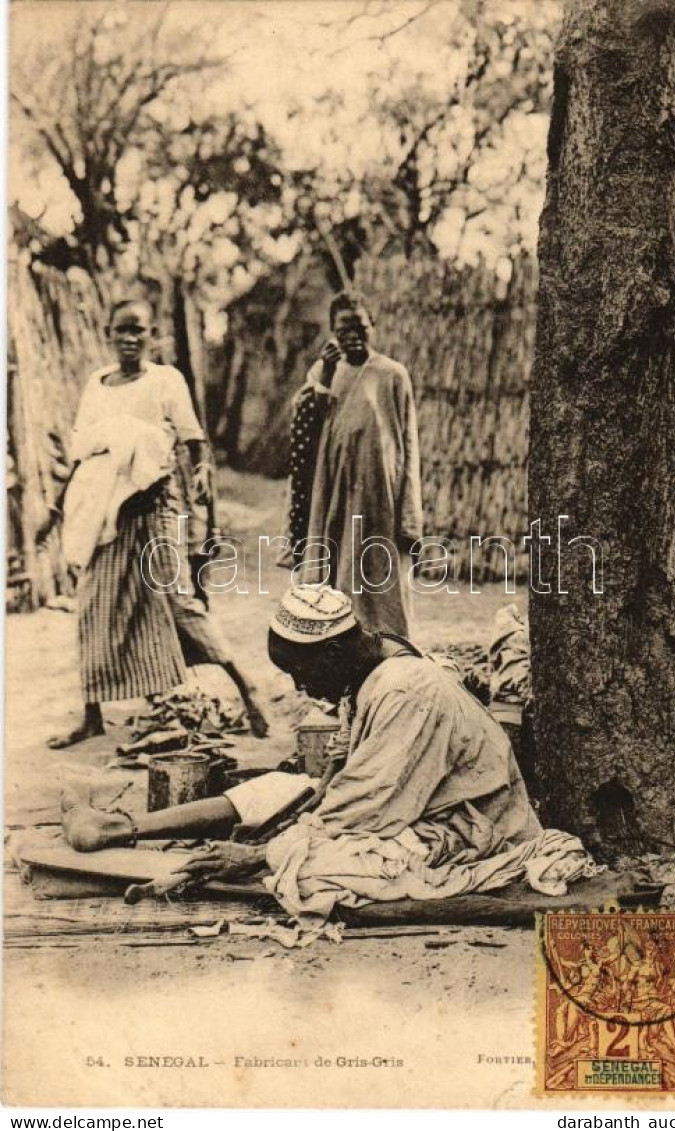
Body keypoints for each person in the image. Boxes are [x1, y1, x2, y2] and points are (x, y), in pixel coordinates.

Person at [61, 586, 598, 928]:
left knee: (311, 870)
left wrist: (262, 853)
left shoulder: (405, 688)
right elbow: (343, 776)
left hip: (469, 831)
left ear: (335, 651)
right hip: (406, 808)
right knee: (279, 793)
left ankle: (145, 839)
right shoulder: (372, 660)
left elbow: (367, 804)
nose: (300, 687)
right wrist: (301, 805)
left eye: (301, 673)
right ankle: (118, 829)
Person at [49, 297, 268, 748]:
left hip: (155, 506)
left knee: (176, 601)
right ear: (109, 333)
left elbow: (192, 440)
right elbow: (83, 451)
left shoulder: (166, 381)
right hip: (107, 510)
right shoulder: (97, 384)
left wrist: (204, 471)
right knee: (93, 605)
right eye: (122, 330)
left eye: (139, 331)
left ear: (153, 336)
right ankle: (92, 714)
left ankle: (248, 687)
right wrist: (57, 507)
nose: (130, 339)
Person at [282, 293, 423, 637]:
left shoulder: (392, 375)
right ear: (332, 331)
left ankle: (387, 647)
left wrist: (409, 517)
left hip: (378, 499)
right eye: (344, 328)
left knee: (378, 576)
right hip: (332, 496)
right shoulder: (323, 372)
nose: (353, 336)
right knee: (332, 579)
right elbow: (304, 432)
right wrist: (325, 376)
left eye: (360, 327)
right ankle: (337, 651)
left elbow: (408, 446)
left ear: (372, 327)